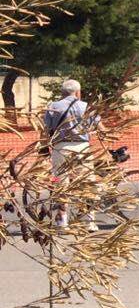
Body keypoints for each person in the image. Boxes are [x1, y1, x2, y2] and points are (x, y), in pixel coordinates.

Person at [42, 79, 93, 225]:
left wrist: (43, 148)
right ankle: (88, 220)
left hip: (61, 148)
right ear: (78, 92)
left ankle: (61, 220)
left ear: (62, 93)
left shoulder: (53, 107)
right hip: (82, 148)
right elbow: (100, 127)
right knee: (85, 182)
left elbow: (46, 130)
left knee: (60, 182)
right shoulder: (86, 107)